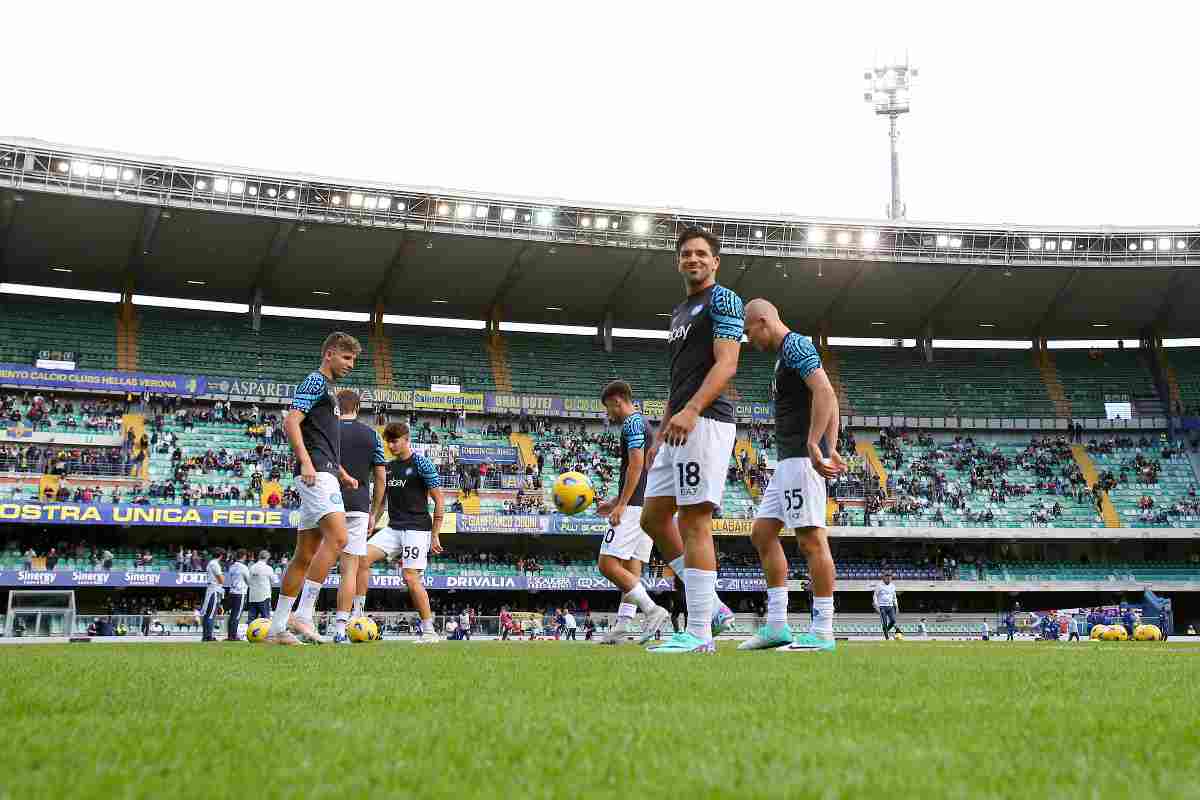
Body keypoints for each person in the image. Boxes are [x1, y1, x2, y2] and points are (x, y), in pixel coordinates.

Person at [641, 226, 742, 654]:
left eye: (701, 253)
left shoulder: (724, 299)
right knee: (652, 518)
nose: (693, 259)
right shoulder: (679, 311)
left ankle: (700, 633)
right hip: (679, 425)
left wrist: (693, 409)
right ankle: (712, 606)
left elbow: (727, 364)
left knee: (694, 521)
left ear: (715, 262)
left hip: (706, 420)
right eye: (686, 254)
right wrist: (660, 433)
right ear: (678, 262)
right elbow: (677, 380)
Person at [738, 299, 844, 653]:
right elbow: (830, 397)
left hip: (800, 459)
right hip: (787, 462)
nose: (749, 339)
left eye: (749, 331)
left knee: (811, 541)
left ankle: (823, 630)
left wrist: (816, 444)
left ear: (763, 321)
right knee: (762, 533)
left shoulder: (796, 345)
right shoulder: (785, 355)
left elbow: (825, 392)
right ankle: (777, 626)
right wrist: (832, 446)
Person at [265, 331, 362, 645]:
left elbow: (322, 439)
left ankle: (277, 629)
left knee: (304, 555)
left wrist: (342, 473)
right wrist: (306, 462)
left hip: (325, 471)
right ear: (329, 354)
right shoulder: (315, 381)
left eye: (353, 360)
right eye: (346, 357)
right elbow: (291, 421)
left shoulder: (329, 391)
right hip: (315, 473)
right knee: (340, 538)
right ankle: (304, 614)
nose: (350, 364)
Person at [595, 380, 670, 644]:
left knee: (607, 564)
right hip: (645, 503)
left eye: (608, 408)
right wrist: (616, 500)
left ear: (617, 400)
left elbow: (636, 464)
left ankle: (652, 609)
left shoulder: (632, 423)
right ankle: (622, 626)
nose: (608, 414)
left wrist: (622, 504)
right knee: (631, 568)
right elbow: (641, 470)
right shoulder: (643, 423)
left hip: (635, 506)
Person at [359, 422, 445, 644]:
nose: (391, 445)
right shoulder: (388, 467)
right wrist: (372, 520)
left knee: (410, 577)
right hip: (393, 528)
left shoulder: (422, 463)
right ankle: (357, 616)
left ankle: (429, 631)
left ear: (407, 439)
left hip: (417, 529)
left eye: (395, 441)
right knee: (361, 558)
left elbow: (439, 500)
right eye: (388, 442)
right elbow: (381, 501)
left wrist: (435, 534)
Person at [331, 390, 388, 644]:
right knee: (349, 569)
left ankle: (303, 619)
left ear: (336, 406)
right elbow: (381, 478)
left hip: (327, 501)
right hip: (358, 504)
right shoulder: (372, 435)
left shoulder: (327, 429)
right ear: (357, 408)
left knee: (313, 561)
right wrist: (374, 513)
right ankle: (340, 629)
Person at [201, 548, 225, 642]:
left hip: (211, 588)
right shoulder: (215, 564)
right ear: (221, 556)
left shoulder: (211, 563)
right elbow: (221, 580)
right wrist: (222, 577)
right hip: (214, 590)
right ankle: (209, 636)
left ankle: (206, 635)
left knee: (208, 614)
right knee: (211, 614)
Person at [225, 550, 250, 641]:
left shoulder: (232, 567)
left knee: (232, 615)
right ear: (244, 556)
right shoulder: (244, 567)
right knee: (237, 615)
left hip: (232, 592)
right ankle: (233, 636)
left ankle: (230, 635)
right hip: (240, 593)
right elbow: (249, 580)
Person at [246, 549, 274, 623]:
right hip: (264, 596)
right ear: (267, 557)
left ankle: (250, 630)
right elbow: (274, 580)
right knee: (265, 618)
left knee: (251, 619)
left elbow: (248, 581)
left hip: (253, 596)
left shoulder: (252, 567)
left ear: (259, 557)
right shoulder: (268, 568)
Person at [873, 573, 899, 640]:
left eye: (890, 578)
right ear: (884, 578)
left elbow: (894, 597)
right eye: (887, 577)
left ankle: (886, 630)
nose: (889, 579)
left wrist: (896, 606)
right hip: (882, 606)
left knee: (893, 620)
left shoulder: (893, 586)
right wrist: (876, 606)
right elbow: (875, 596)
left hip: (890, 606)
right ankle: (887, 638)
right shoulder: (879, 585)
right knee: (884, 622)